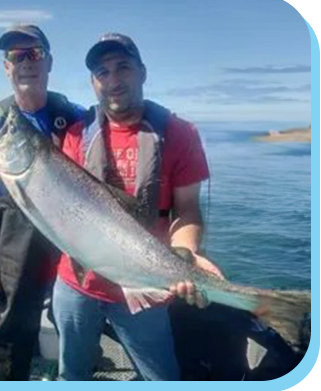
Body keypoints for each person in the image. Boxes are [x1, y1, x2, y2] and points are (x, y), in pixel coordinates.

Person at [51, 33, 224, 381]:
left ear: (143, 72)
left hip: (144, 281)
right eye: (103, 72)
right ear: (92, 82)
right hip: (75, 283)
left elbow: (187, 209)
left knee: (162, 377)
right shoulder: (76, 134)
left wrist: (185, 255)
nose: (113, 81)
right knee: (71, 373)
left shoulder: (180, 133)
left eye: (123, 68)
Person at [0, 24, 84, 380]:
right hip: (16, 236)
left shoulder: (76, 116)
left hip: (74, 228)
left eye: (34, 54)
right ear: (6, 67)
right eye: (16, 56)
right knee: (12, 326)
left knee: (76, 315)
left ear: (49, 62)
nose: (26, 63)